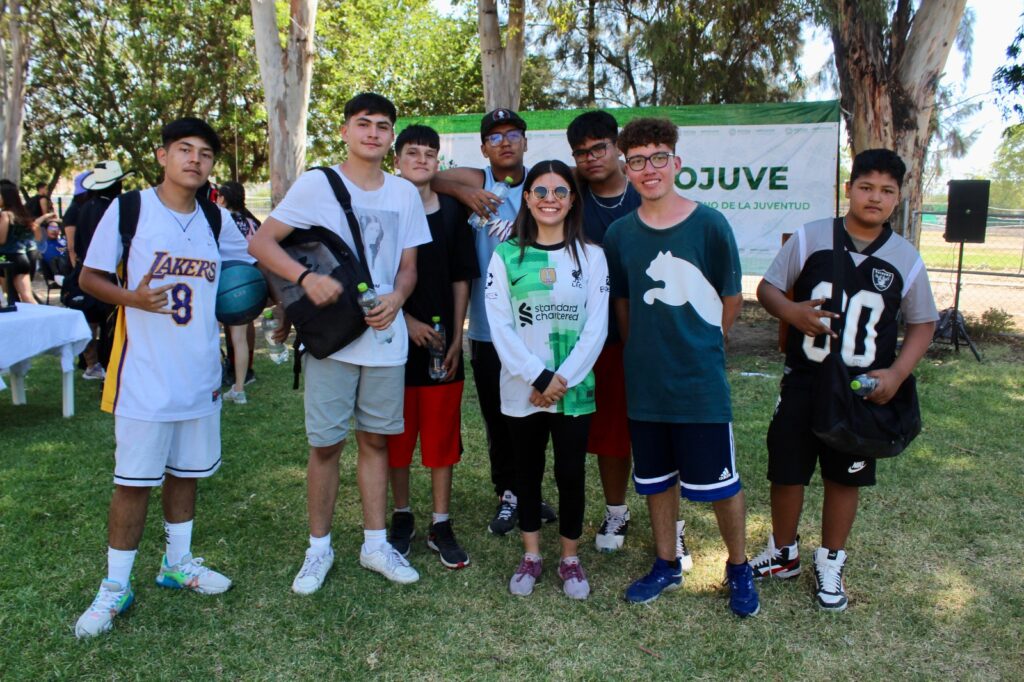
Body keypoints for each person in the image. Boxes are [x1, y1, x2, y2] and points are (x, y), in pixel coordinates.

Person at [74, 117, 252, 638]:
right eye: (184, 149)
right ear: (162, 155)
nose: (195, 159)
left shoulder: (216, 221)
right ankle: (114, 587)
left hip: (199, 374)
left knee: (186, 472)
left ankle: (178, 563)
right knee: (132, 483)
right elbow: (89, 276)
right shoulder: (129, 209)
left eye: (204, 153)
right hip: (143, 376)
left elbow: (250, 270)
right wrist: (132, 297)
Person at [249, 92, 430, 593]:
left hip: (385, 338)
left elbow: (409, 267)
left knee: (375, 440)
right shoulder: (316, 185)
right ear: (346, 131)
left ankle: (375, 544)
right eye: (363, 123)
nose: (373, 132)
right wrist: (305, 279)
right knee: (325, 445)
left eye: (383, 126)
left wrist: (397, 298)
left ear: (392, 136)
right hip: (332, 337)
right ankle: (318, 548)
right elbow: (261, 242)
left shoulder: (404, 194)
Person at [749, 149, 938, 612]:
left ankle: (831, 559)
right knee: (787, 469)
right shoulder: (813, 237)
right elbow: (768, 289)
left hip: (860, 388)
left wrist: (897, 372)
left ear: (899, 198)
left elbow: (924, 322)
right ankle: (783, 551)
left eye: (887, 191)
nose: (875, 198)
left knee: (845, 476)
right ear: (849, 188)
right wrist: (791, 312)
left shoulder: (905, 258)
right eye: (866, 187)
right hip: (805, 379)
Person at [602, 117, 759, 616]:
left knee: (721, 483)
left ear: (676, 163)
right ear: (627, 170)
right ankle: (666, 563)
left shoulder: (709, 223)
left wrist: (698, 344)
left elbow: (730, 302)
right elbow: (623, 306)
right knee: (654, 479)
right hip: (645, 381)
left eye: (658, 158)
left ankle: (739, 567)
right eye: (638, 161)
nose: (649, 169)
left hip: (699, 382)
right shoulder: (619, 233)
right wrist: (645, 350)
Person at [567, 110, 693, 567]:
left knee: (662, 435)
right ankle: (616, 512)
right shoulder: (571, 197)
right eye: (581, 153)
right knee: (609, 435)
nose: (591, 158)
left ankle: (674, 530)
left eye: (600, 148)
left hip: (658, 337)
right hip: (601, 340)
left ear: (618, 150)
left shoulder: (646, 192)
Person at [431, 108, 557, 535]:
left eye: (513, 134)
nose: (505, 142)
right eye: (495, 137)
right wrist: (467, 196)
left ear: (526, 140)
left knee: (537, 414)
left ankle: (532, 491)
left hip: (537, 323)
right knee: (498, 415)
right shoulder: (478, 180)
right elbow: (431, 179)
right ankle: (508, 492)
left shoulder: (542, 180)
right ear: (484, 147)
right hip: (488, 328)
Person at [486, 160, 608, 599]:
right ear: (526, 198)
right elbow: (499, 325)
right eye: (540, 191)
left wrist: (561, 379)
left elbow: (597, 327)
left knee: (571, 472)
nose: (549, 199)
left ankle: (570, 558)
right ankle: (533, 554)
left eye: (560, 191)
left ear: (572, 199)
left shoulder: (592, 256)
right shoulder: (506, 255)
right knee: (527, 473)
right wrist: (538, 376)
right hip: (523, 389)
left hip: (573, 390)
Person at [385, 125, 478, 569]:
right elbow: (372, 279)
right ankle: (402, 516)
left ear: (437, 162)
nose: (421, 159)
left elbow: (462, 276)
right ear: (397, 160)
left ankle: (441, 523)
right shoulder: (383, 210)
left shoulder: (452, 213)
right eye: (412, 152)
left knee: (441, 437)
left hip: (442, 342)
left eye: (429, 153)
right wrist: (405, 320)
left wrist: (458, 334)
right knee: (396, 437)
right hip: (389, 341)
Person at [217, 181, 261, 404]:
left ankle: (215, 382)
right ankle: (240, 387)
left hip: (221, 280)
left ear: (223, 199)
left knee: (212, 335)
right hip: (247, 278)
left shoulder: (219, 217)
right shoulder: (252, 219)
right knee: (240, 337)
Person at [0, 179, 54, 304]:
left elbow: (1, 239)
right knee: (27, 296)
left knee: (10, 297)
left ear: (6, 197)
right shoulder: (22, 213)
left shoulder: (5, 215)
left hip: (7, 258)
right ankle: (41, 320)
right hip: (23, 258)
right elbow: (37, 233)